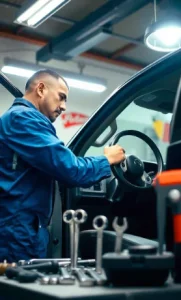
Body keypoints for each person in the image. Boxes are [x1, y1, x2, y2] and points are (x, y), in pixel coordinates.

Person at [0, 69, 125, 263]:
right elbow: (72, 170)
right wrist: (107, 160)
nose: (64, 106)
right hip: (16, 232)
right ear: (41, 89)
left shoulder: (23, 120)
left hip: (25, 229)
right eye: (61, 97)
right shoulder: (23, 119)